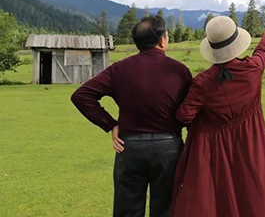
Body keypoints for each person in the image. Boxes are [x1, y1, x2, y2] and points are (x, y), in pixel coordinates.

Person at [71, 15, 192, 217]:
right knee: (166, 210)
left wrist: (110, 124)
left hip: (130, 148)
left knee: (126, 210)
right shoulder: (180, 71)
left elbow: (81, 96)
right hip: (168, 148)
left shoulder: (120, 68)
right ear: (162, 40)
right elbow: (190, 112)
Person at [170, 15, 265, 217]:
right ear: (236, 44)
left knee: (221, 198)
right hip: (251, 144)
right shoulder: (252, 69)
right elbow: (263, 50)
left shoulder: (202, 83)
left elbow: (183, 116)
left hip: (217, 151)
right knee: (252, 193)